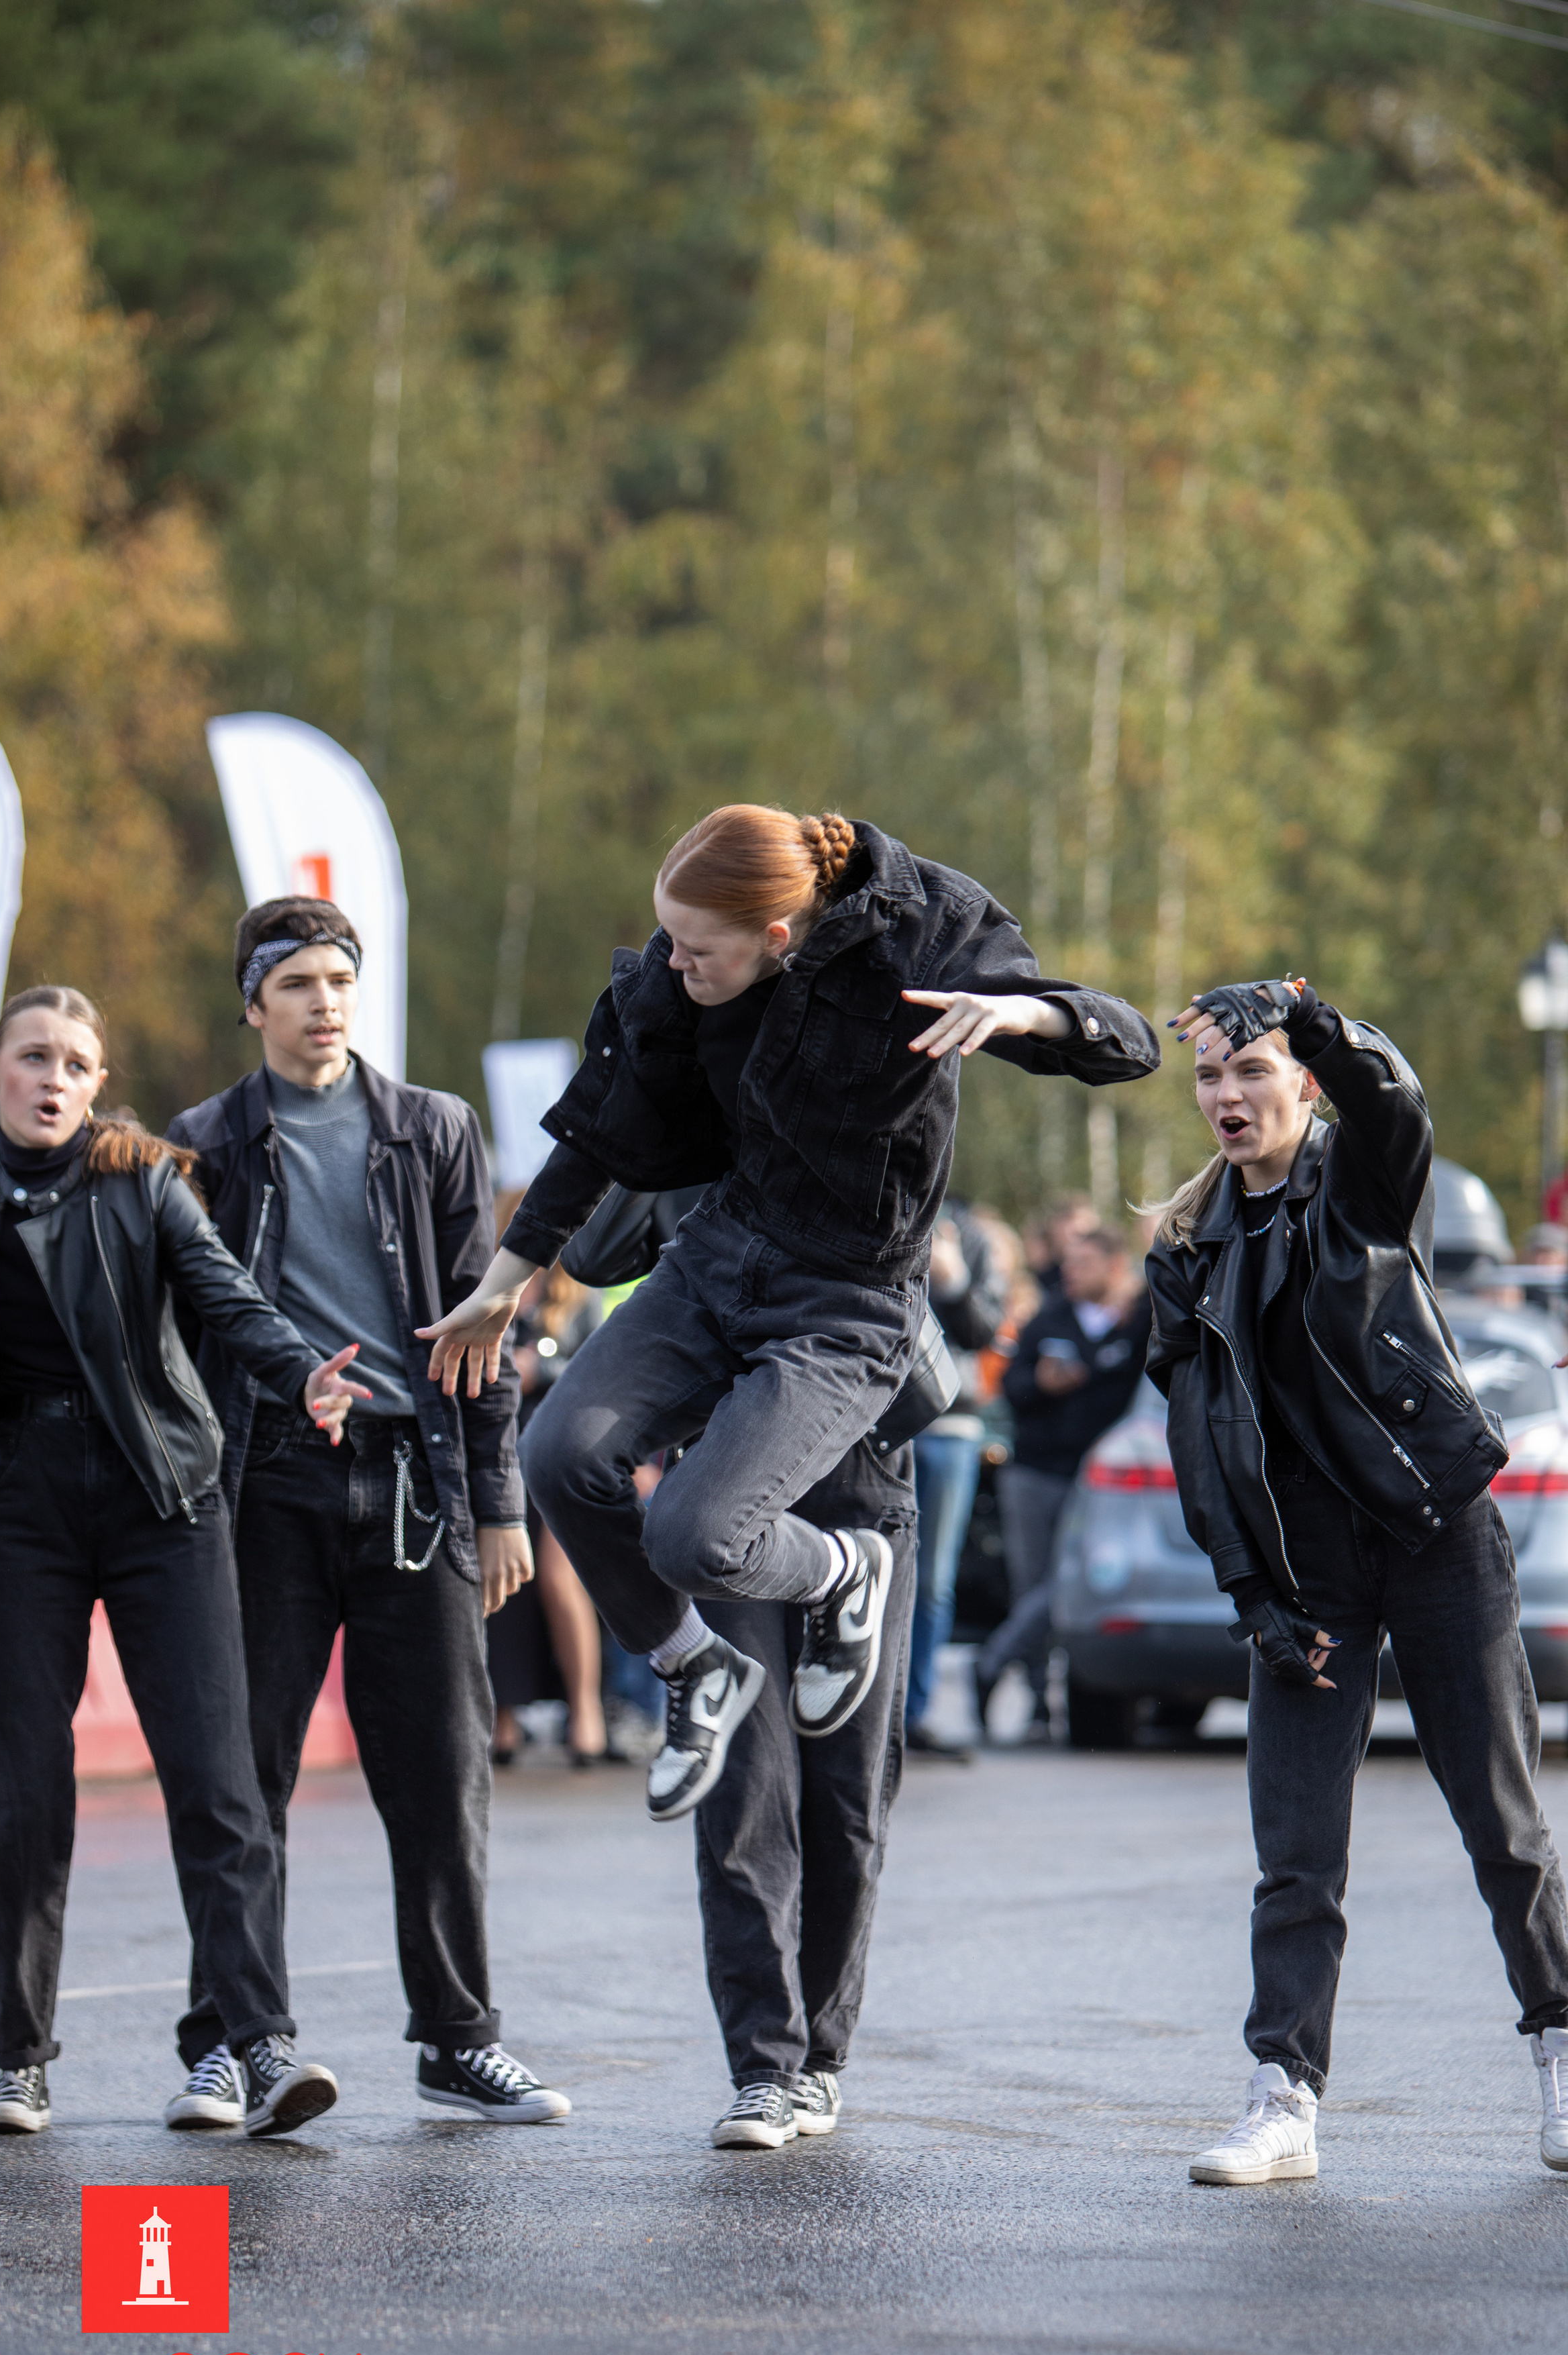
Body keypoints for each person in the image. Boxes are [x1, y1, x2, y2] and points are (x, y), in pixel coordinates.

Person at [421, 806, 1158, 1825]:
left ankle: (846, 1573)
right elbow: (596, 1131)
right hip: (719, 1256)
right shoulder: (675, 985)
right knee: (558, 1456)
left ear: (777, 936)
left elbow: (1129, 1041)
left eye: (697, 948)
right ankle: (693, 1669)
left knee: (695, 1535)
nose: (673, 964)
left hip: (850, 1304)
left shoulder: (919, 931)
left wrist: (1028, 1017)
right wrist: (506, 1281)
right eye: (668, 940)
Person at [0, 985, 360, 2137]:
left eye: (74, 1064)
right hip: (21, 1499)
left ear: (95, 1080)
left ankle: (263, 2045)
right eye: (32, 1058)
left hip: (161, 1497)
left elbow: (233, 1304)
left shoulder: (143, 1180)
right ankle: (19, 2063)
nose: (52, 1080)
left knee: (217, 1784)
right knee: (19, 1792)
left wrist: (300, 1377)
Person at [1145, 976, 1568, 2185]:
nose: (1228, 1096)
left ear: (1302, 1086)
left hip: (1437, 1531)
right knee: (1295, 1851)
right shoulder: (1190, 1253)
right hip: (1308, 1567)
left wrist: (1309, 1011)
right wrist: (1255, 1599)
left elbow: (1398, 1100)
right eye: (1211, 1080)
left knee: (1504, 1825)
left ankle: (1560, 2037)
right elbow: (1205, 1443)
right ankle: (1283, 2095)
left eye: (1252, 1072)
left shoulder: (1365, 1185)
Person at [167, 898, 572, 2125]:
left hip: (416, 1484)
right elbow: (187, 1333)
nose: (323, 1001)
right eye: (294, 983)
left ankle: (458, 2040)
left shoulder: (432, 1130)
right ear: (254, 1005)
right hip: (265, 1481)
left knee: (444, 1772)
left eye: (339, 978)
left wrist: (500, 1504)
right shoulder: (207, 1140)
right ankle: (236, 2040)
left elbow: (483, 1328)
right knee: (248, 1779)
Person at [695, 1425, 917, 2150]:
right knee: (745, 1785)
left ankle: (818, 2055)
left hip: (861, 1490)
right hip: (730, 1488)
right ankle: (763, 2067)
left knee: (846, 1798)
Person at [977, 1221, 1149, 1735]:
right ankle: (1036, 1702)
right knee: (1033, 1583)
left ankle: (994, 1662)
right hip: (1034, 1472)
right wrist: (1043, 1384)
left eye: (1085, 1264)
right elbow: (1011, 1387)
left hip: (1096, 1479)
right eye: (1069, 1263)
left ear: (1114, 1267)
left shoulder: (1134, 1322)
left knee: (1072, 1584)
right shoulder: (1048, 1317)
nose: (1071, 1273)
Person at [485, 1243, 610, 1766]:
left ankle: (587, 1714)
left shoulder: (579, 1298)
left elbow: (603, 1372)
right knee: (504, 1579)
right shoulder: (490, 1293)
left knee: (560, 1579)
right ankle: (502, 1720)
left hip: (561, 1447)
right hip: (502, 1449)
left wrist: (542, 1367)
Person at [903, 1202, 1004, 1755]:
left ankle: (912, 1713)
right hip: (866, 1419)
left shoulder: (967, 1229)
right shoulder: (868, 1198)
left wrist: (952, 1276)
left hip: (947, 1426)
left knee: (931, 1579)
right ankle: (860, 1710)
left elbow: (986, 1328)